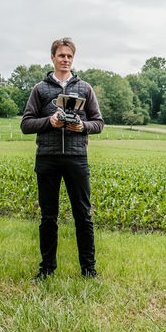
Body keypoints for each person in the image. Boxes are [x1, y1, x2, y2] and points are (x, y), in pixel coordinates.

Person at [21, 38, 104, 282]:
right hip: (47, 158)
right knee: (48, 217)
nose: (65, 59)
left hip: (77, 158)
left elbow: (98, 123)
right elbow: (25, 125)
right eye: (61, 55)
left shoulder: (85, 88)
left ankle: (89, 271)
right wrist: (50, 122)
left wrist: (82, 126)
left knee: (83, 215)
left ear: (72, 59)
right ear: (53, 58)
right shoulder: (39, 89)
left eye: (69, 56)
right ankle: (46, 270)